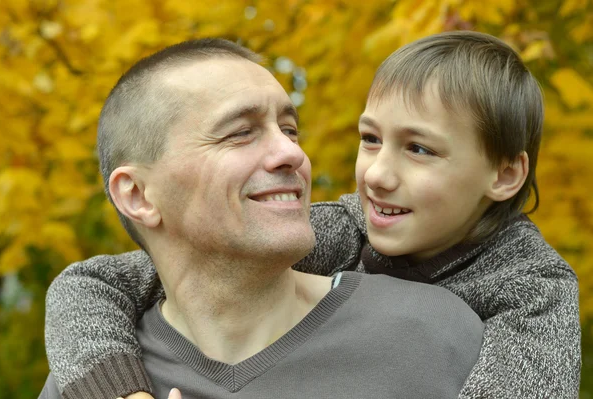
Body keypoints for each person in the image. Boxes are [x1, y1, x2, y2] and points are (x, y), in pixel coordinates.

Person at [43, 31, 581, 399]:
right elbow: (92, 281)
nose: (375, 175)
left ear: (504, 174)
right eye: (369, 140)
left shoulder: (526, 295)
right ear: (137, 195)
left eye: (420, 149)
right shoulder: (354, 228)